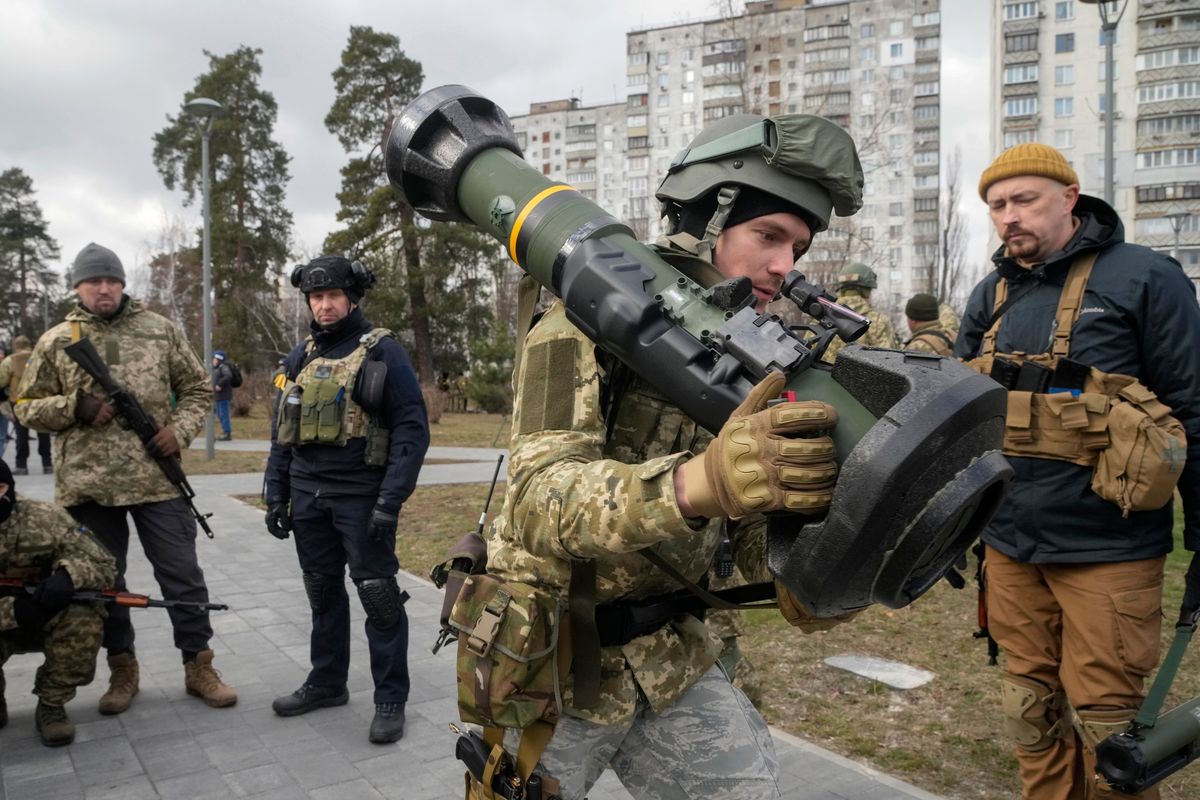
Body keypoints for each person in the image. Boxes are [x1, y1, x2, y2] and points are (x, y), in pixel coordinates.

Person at [479, 113, 860, 800]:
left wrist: (802, 569)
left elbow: (743, 528)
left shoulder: (754, 360)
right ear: (709, 221)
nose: (785, 266)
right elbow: (537, 500)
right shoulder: (580, 324)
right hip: (549, 660)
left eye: (797, 248)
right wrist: (695, 484)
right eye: (769, 236)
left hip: (669, 655)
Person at [956, 143, 1200, 799]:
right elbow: (956, 417)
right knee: (1029, 712)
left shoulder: (1147, 278)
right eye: (997, 206)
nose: (1009, 216)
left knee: (1108, 729)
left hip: (1109, 549)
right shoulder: (991, 293)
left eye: (1024, 199)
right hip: (1010, 545)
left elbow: (1192, 409)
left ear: (1069, 198)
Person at [13, 241, 237, 715]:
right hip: (87, 487)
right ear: (77, 286)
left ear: (122, 285)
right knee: (104, 584)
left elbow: (198, 387)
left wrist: (178, 431)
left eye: (112, 280)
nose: (104, 288)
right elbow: (25, 406)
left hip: (157, 481)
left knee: (183, 576)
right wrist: (74, 407)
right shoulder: (56, 339)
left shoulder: (160, 331)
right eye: (94, 281)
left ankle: (198, 664)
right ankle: (122, 668)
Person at [263, 255, 429, 744]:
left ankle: (390, 699)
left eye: (333, 295)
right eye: (316, 297)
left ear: (352, 298)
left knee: (377, 596)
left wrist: (389, 501)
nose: (325, 305)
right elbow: (281, 433)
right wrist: (276, 493)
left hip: (361, 497)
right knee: (322, 593)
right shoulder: (300, 355)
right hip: (308, 495)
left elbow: (412, 432)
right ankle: (327, 682)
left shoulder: (383, 352)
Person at [0, 458, 116, 746]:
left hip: (47, 616)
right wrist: (12, 612)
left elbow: (103, 563)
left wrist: (69, 575)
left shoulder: (45, 517)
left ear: (5, 488)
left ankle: (51, 705)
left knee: (84, 617)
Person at [821, 262, 898, 363]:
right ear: (866, 291)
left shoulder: (820, 317)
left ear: (841, 289)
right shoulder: (878, 320)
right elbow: (891, 362)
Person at [0, 336, 53, 475]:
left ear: (15, 346)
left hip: (19, 402)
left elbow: (1, 380)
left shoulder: (10, 360)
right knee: (43, 433)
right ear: (29, 344)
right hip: (41, 401)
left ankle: (21, 465)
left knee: (21, 434)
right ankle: (47, 464)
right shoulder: (41, 357)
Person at [211, 350, 234, 441]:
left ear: (219, 359)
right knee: (220, 414)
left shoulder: (223, 367)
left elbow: (228, 376)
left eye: (214, 358)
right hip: (218, 396)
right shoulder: (216, 368)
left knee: (224, 414)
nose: (213, 360)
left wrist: (219, 384)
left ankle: (227, 433)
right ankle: (225, 431)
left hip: (223, 396)